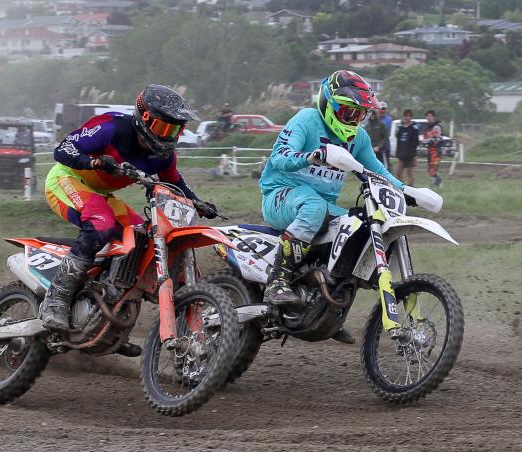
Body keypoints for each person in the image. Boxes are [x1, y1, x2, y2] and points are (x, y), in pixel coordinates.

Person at [40, 84, 216, 356]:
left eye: (175, 130)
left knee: (138, 237)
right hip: (67, 179)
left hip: (99, 193)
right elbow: (63, 150)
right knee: (101, 223)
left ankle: (105, 315)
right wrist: (95, 163)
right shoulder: (111, 128)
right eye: (165, 128)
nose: (169, 136)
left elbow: (175, 183)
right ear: (145, 118)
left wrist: (198, 202)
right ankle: (57, 298)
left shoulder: (163, 156)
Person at [259, 70, 405, 344]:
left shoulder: (358, 139)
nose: (355, 121)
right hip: (280, 195)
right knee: (314, 208)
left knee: (360, 227)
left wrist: (407, 190)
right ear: (329, 104)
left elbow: (375, 170)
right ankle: (276, 283)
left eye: (360, 115)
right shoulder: (306, 120)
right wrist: (313, 155)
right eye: (349, 113)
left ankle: (327, 311)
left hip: (323, 206)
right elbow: (279, 157)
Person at [395, 109, 420, 186]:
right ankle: (401, 187)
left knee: (409, 172)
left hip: (410, 155)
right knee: (398, 173)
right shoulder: (401, 128)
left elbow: (416, 142)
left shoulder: (414, 128)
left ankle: (411, 188)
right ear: (404, 117)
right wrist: (398, 153)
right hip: (401, 154)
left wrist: (413, 155)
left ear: (411, 117)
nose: (407, 117)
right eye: (406, 116)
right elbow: (398, 140)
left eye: (409, 116)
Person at [424, 110, 443, 188]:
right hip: (430, 150)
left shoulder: (436, 127)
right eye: (427, 116)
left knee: (433, 169)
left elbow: (436, 139)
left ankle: (434, 185)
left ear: (433, 117)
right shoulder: (428, 127)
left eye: (430, 116)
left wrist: (426, 141)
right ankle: (437, 183)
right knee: (429, 169)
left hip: (435, 151)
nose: (428, 118)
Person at [378, 101, 393, 167]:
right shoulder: (375, 119)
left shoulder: (388, 119)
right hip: (376, 145)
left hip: (385, 146)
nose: (382, 110)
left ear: (386, 110)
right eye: (381, 108)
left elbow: (384, 132)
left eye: (384, 109)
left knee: (384, 166)